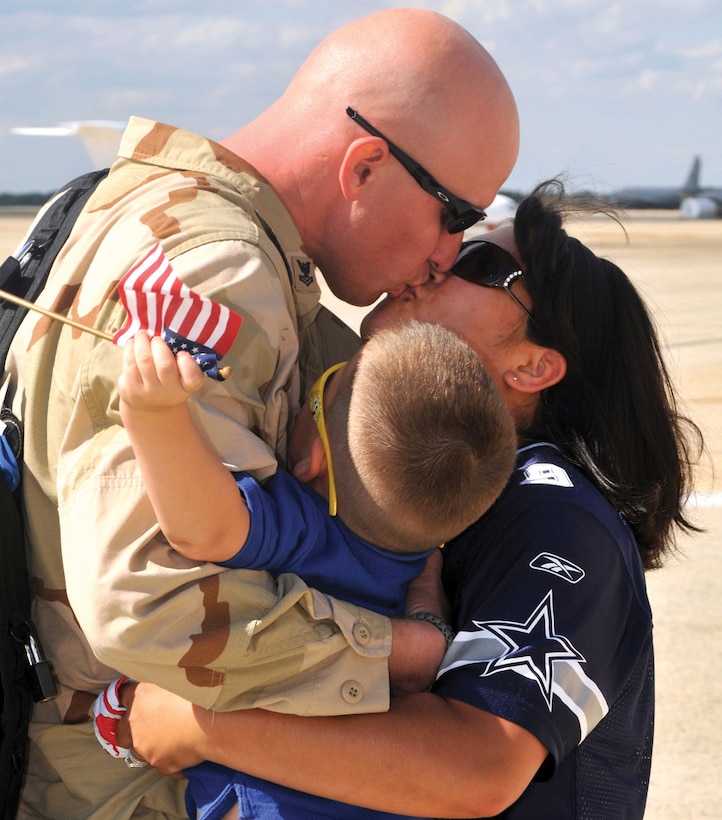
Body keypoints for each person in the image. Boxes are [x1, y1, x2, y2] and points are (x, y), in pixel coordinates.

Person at [5, 8, 519, 817]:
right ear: (365, 167)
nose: (446, 254)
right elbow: (153, 606)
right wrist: (395, 651)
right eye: (454, 215)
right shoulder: (224, 274)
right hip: (128, 790)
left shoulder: (127, 204)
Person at [120, 181, 703, 819]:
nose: (435, 265)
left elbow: (482, 765)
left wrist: (204, 725)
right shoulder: (418, 472)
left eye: (482, 265)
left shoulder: (554, 518)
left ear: (533, 368)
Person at [99, 319, 516, 819]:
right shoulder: (422, 562)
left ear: (312, 459)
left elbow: (203, 529)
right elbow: (426, 617)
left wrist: (153, 412)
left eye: (324, 382)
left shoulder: (305, 529)